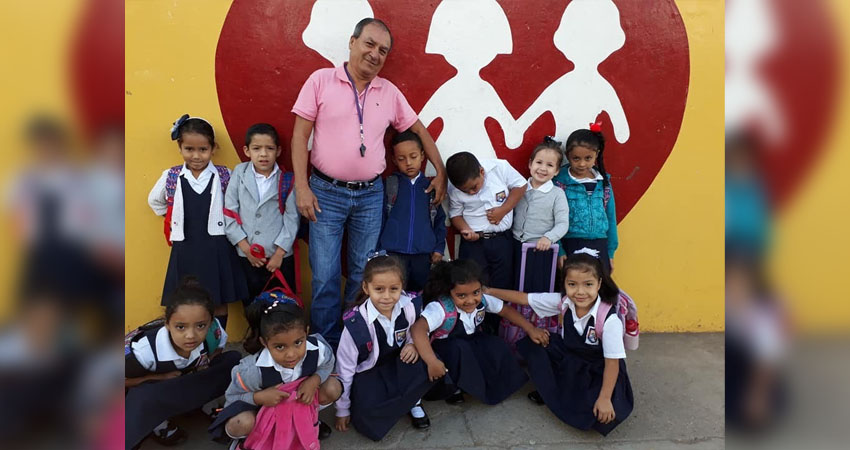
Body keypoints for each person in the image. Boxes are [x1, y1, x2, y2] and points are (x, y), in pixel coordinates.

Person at [291, 18, 447, 348]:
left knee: (364, 272)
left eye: (383, 51)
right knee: (324, 275)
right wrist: (302, 188)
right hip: (324, 193)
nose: (375, 54)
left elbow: (419, 131)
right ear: (352, 42)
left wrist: (441, 171)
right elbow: (299, 135)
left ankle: (352, 341)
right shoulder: (320, 81)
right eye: (369, 44)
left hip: (370, 196)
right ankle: (325, 347)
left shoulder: (388, 92)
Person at [486, 250, 634, 435]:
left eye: (588, 284)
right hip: (572, 358)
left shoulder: (609, 320)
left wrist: (604, 398)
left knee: (597, 411)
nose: (580, 292)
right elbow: (524, 298)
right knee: (535, 345)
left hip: (598, 368)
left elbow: (613, 364)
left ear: (599, 284)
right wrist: (489, 291)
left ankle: (568, 394)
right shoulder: (564, 302)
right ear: (564, 283)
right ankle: (551, 391)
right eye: (572, 284)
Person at [148, 115, 248, 325]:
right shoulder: (172, 176)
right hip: (185, 245)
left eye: (203, 149)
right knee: (185, 298)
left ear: (213, 148)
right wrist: (172, 216)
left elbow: (236, 205)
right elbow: (154, 200)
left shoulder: (224, 176)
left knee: (218, 296)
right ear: (180, 148)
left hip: (217, 246)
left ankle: (216, 345)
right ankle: (191, 345)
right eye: (189, 149)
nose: (196, 156)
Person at [409, 260, 548, 406]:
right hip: (447, 347)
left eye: (476, 292)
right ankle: (453, 388)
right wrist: (431, 361)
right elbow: (418, 329)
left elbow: (505, 310)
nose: (470, 300)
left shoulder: (482, 300)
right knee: (460, 350)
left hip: (471, 339)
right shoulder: (440, 308)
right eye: (462, 296)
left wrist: (531, 329)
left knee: (496, 345)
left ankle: (491, 384)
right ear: (448, 292)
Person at [125, 277, 241, 449]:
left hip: (181, 379)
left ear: (210, 323)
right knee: (143, 398)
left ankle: (201, 403)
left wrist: (205, 363)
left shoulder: (214, 332)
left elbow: (217, 351)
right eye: (181, 327)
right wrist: (160, 377)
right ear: (167, 324)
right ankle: (157, 421)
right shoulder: (145, 350)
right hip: (145, 385)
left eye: (200, 326)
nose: (191, 335)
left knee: (233, 361)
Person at [209, 300, 341, 448]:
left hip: (300, 404)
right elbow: (232, 397)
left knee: (333, 387)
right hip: (264, 414)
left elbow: (328, 363)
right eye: (280, 346)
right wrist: (259, 397)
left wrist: (315, 380)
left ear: (306, 332)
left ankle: (308, 421)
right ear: (265, 343)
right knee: (241, 423)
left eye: (298, 342)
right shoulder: (254, 371)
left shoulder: (318, 348)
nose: (291, 354)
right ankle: (246, 440)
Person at [334, 253, 433, 440]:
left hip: (398, 364)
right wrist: (342, 409)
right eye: (379, 289)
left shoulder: (409, 306)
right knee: (365, 412)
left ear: (402, 287)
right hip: (370, 373)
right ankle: (396, 402)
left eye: (394, 289)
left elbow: (420, 331)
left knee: (426, 362)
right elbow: (345, 368)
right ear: (366, 287)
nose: (387, 297)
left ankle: (414, 402)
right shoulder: (357, 323)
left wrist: (412, 344)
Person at [501, 137, 569, 353]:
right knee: (513, 290)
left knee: (534, 294)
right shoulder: (519, 189)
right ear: (530, 164)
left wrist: (548, 237)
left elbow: (563, 223)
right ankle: (511, 334)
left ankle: (535, 335)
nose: (543, 168)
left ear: (557, 171)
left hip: (539, 253)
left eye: (550, 165)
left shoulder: (557, 194)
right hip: (514, 247)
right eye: (539, 162)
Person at [446, 151, 526, 333]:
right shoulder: (455, 187)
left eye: (474, 187)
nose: (471, 192)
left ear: (482, 172)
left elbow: (521, 186)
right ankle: (475, 331)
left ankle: (499, 333)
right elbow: (456, 215)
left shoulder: (500, 168)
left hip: (501, 241)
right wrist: (466, 230)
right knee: (473, 286)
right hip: (474, 245)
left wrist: (503, 210)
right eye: (465, 191)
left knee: (501, 286)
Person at [224, 123, 299, 300]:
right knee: (251, 305)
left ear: (278, 151)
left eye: (269, 148)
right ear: (247, 150)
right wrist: (245, 248)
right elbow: (229, 212)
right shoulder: (239, 173)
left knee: (280, 305)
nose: (263, 154)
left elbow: (292, 219)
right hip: (246, 255)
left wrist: (279, 253)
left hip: (278, 259)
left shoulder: (287, 180)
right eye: (257, 148)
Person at [378, 131, 447, 292]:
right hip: (393, 255)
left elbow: (439, 220)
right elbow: (379, 219)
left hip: (423, 256)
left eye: (413, 156)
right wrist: (378, 250)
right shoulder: (390, 186)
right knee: (394, 294)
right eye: (401, 159)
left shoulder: (430, 187)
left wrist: (438, 248)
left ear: (423, 156)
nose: (408, 163)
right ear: (394, 160)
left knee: (419, 294)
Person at [553, 124, 618, 275]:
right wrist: (559, 249)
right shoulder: (560, 182)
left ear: (597, 154)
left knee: (597, 290)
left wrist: (610, 251)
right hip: (570, 243)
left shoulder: (604, 183)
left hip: (599, 243)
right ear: (567, 156)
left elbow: (610, 216)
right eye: (576, 158)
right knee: (572, 289)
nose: (582, 164)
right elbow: (551, 217)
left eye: (588, 158)